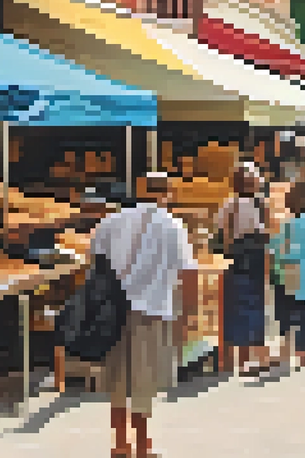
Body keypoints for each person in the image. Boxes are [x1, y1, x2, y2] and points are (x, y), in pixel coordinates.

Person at [91, 173, 197, 458]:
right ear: (168, 193)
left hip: (112, 311)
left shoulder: (110, 222)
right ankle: (142, 447)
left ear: (139, 189)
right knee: (143, 381)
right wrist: (186, 317)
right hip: (152, 311)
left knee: (117, 380)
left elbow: (95, 269)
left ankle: (120, 444)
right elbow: (188, 273)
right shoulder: (173, 226)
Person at [216, 165, 270, 376]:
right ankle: (252, 357)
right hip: (255, 258)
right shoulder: (259, 204)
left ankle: (233, 361)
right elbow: (265, 231)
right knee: (255, 305)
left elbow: (221, 229)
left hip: (235, 257)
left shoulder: (229, 205)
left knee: (234, 306)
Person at [271, 182, 305, 369]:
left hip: (293, 274)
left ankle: (287, 353)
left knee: (287, 315)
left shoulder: (290, 225)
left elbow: (279, 250)